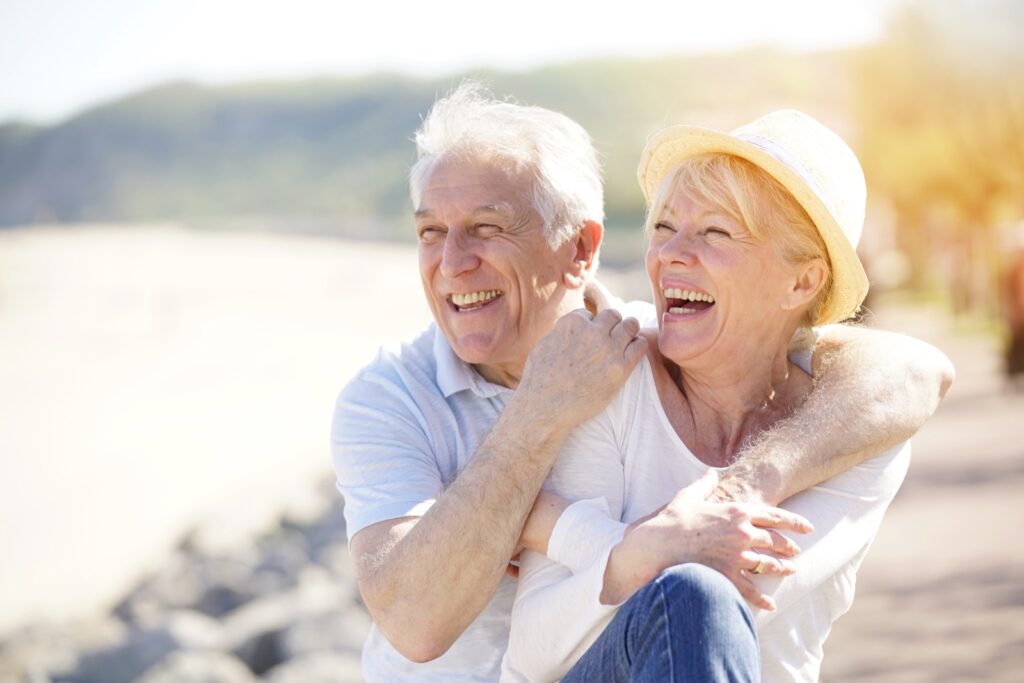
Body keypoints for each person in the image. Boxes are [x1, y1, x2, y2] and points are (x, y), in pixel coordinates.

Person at [332, 84, 955, 682]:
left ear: (581, 250)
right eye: (430, 232)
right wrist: (539, 418)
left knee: (696, 597)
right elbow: (417, 623)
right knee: (693, 595)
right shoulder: (393, 397)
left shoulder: (638, 364)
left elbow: (912, 368)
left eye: (487, 228)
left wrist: (725, 494)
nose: (451, 262)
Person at [501, 111, 933, 682]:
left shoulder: (856, 432)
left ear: (802, 282)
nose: (671, 254)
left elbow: (737, 591)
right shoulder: (614, 378)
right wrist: (638, 550)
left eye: (716, 233)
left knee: (697, 599)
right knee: (691, 596)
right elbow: (534, 654)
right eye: (664, 227)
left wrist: (574, 533)